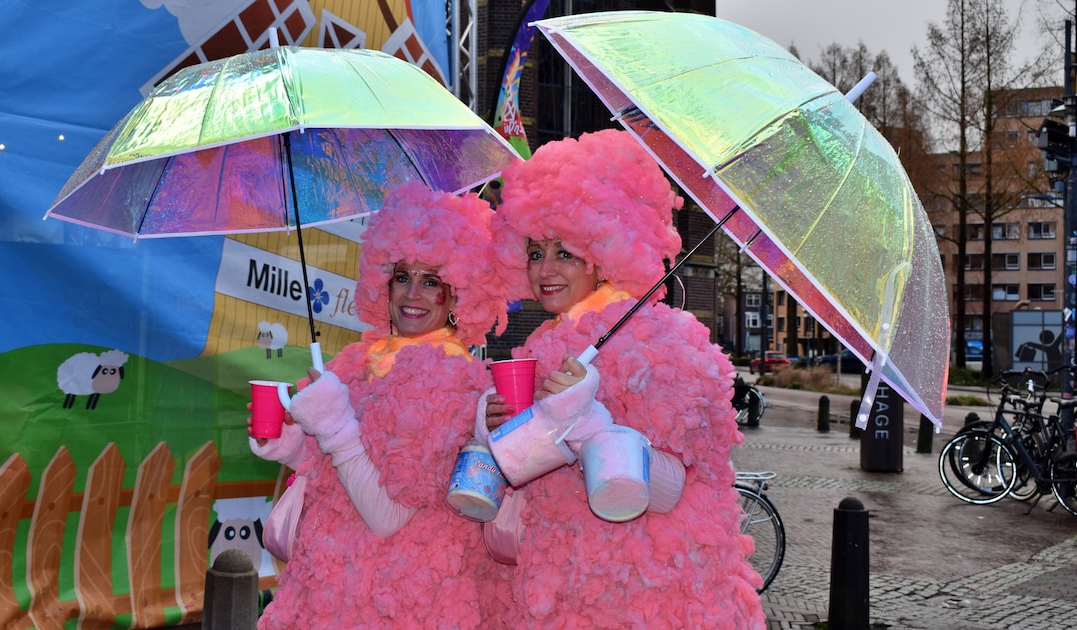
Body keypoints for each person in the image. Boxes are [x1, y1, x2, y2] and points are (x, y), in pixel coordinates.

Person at [477, 130, 765, 627]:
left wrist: (588, 423)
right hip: (554, 589)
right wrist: (493, 424)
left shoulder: (665, 342)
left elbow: (670, 488)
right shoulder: (542, 345)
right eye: (535, 250)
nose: (544, 269)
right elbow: (530, 469)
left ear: (605, 250)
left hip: (639, 595)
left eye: (564, 252)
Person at [248, 182, 515, 628]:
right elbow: (338, 476)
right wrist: (292, 445)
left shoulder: (455, 378)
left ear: (456, 298)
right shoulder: (359, 360)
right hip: (329, 588)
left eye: (432, 282)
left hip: (402, 602)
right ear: (382, 283)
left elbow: (388, 516)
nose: (412, 294)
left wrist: (332, 427)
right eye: (402, 277)